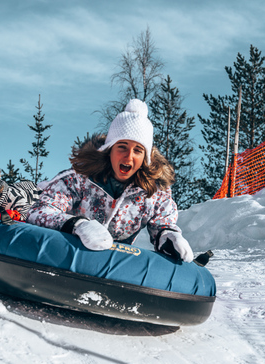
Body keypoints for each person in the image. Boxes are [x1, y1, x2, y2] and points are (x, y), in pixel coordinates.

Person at [27, 99, 194, 262]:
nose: (129, 156)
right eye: (122, 146)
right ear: (109, 149)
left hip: (114, 267)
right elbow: (39, 211)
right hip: (68, 256)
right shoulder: (79, 179)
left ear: (145, 158)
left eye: (138, 150)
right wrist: (77, 225)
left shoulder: (154, 193)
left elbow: (162, 224)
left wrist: (169, 236)